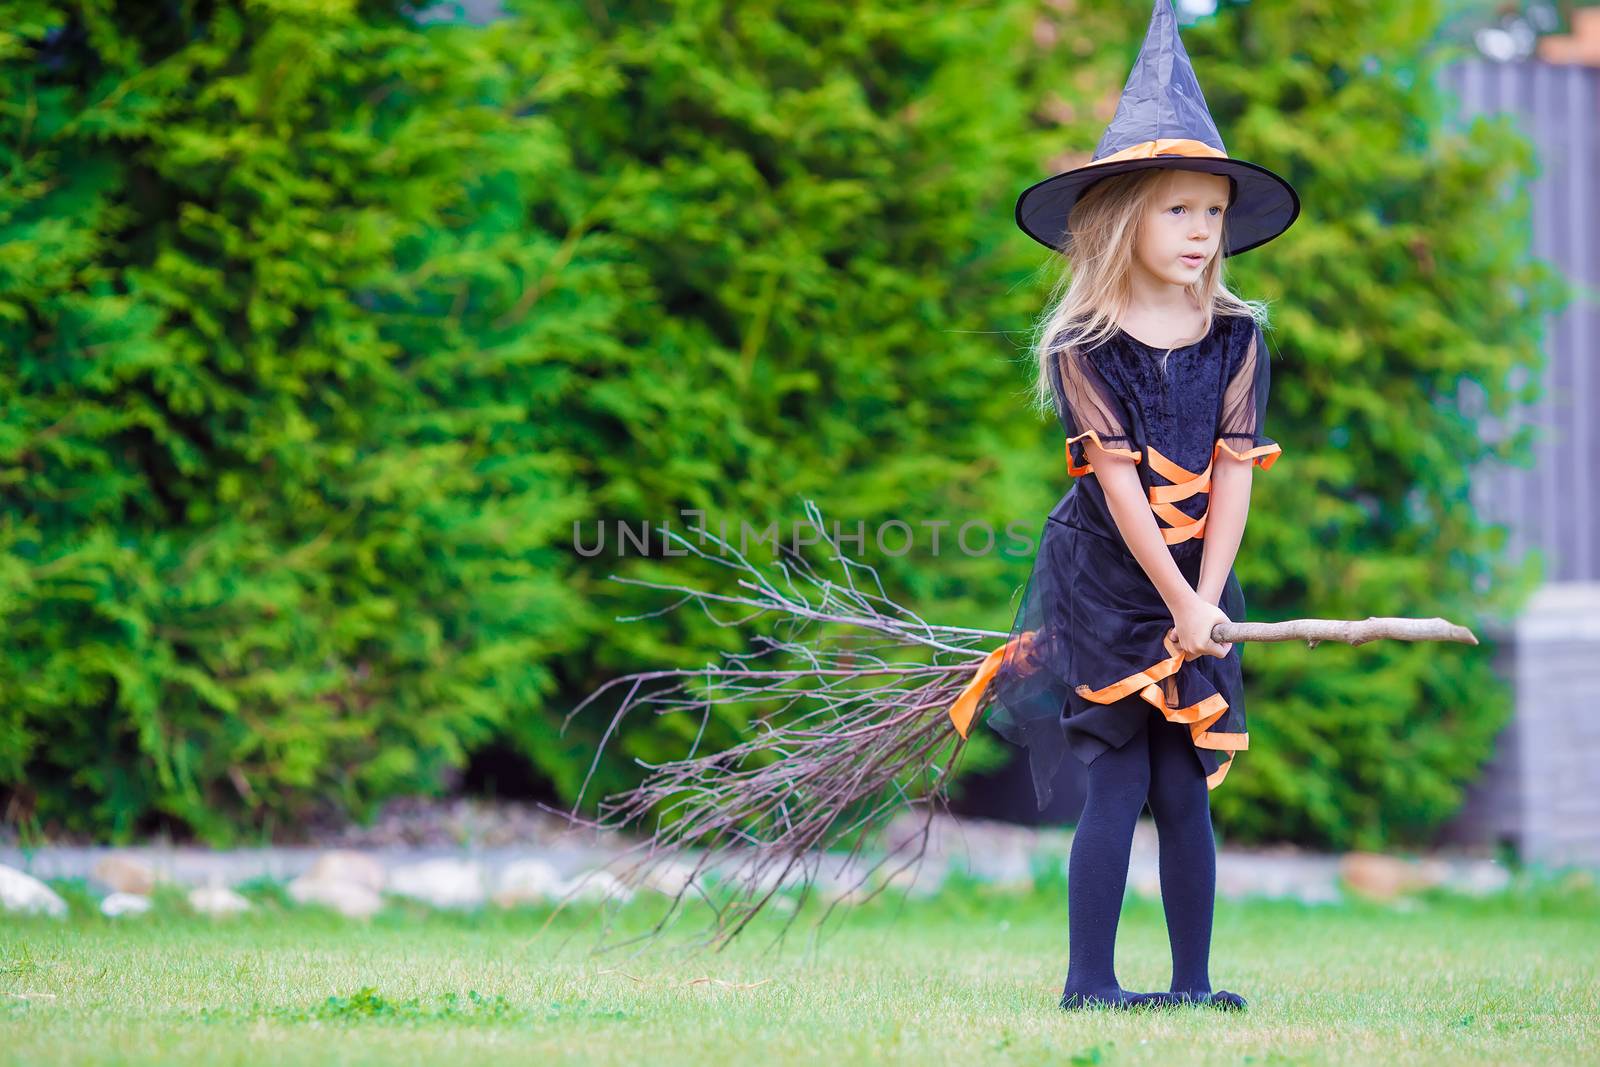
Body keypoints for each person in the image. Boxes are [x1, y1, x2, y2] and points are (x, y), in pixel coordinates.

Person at [975, 0, 1302, 1012]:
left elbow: (1234, 468)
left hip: (1198, 568)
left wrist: (1208, 598)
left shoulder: (1238, 336)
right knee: (1116, 774)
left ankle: (1194, 983)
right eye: (1176, 210)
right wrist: (1173, 596)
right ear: (1124, 219)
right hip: (1107, 578)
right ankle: (1090, 982)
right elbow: (1118, 488)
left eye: (1211, 211)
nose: (1201, 230)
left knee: (1182, 783)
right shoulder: (1086, 343)